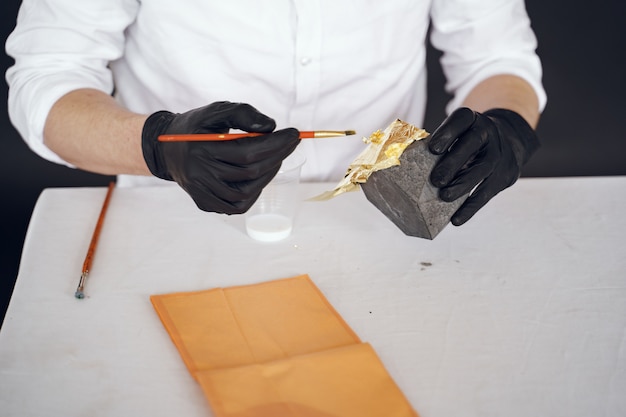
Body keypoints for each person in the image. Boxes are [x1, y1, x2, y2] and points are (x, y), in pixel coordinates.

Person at [5, 0, 546, 226]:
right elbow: (49, 77)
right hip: (173, 222)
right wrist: (158, 145)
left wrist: (507, 126)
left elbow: (495, 58)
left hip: (379, 220)